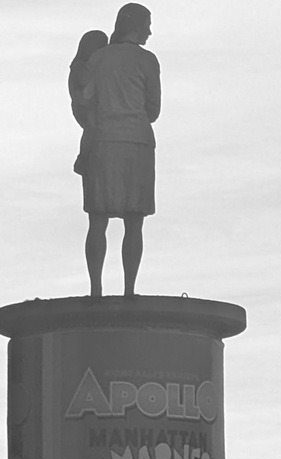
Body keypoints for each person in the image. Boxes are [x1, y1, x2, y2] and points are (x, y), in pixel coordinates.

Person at [77, 3, 161, 297]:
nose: (150, 31)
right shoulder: (148, 61)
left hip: (102, 143)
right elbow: (153, 110)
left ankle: (96, 290)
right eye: (147, 24)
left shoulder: (98, 59)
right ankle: (129, 290)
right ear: (135, 25)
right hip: (136, 144)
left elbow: (85, 101)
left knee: (97, 221)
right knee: (134, 222)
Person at [68, 29, 108, 175]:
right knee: (92, 129)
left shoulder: (85, 65)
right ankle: (83, 158)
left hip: (88, 104)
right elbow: (82, 87)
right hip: (84, 105)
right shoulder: (80, 66)